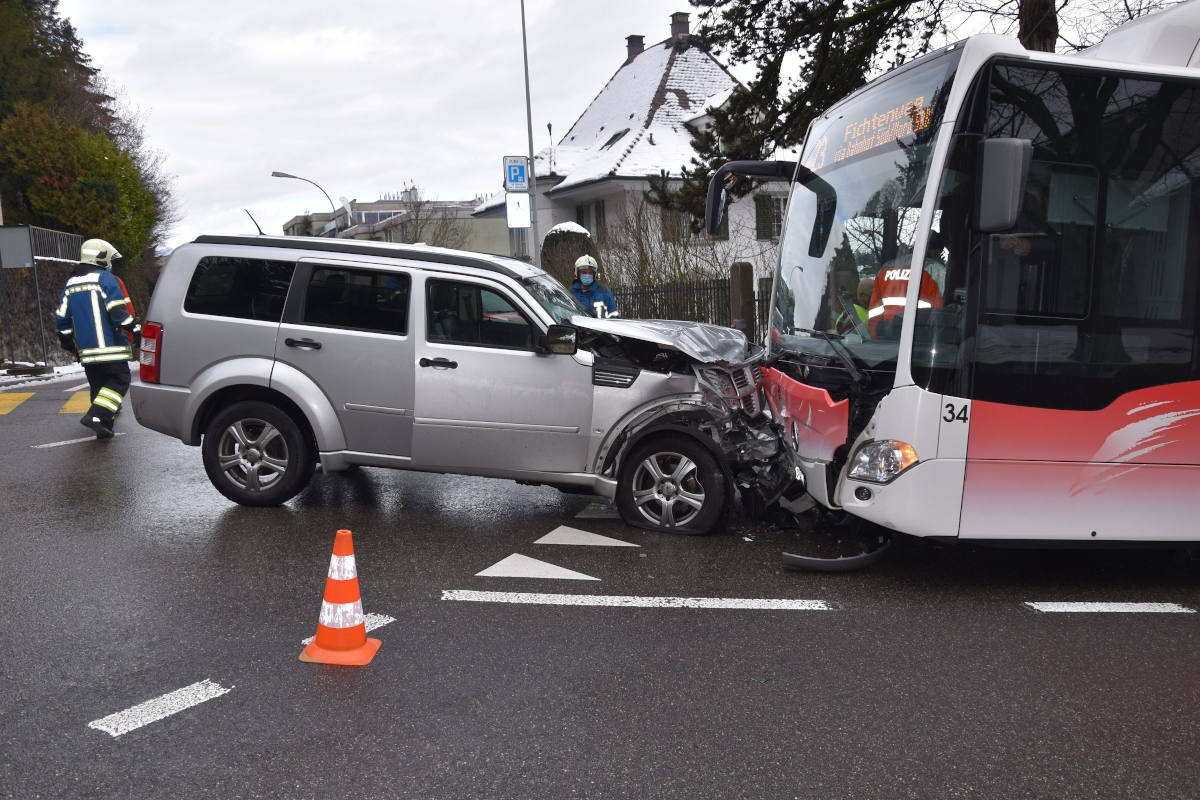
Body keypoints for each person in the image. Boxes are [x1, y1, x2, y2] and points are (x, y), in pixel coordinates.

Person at [55, 238, 141, 439]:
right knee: (120, 379)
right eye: (109, 259)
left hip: (87, 352)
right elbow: (118, 311)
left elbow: (62, 318)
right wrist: (134, 328)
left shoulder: (71, 283)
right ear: (101, 258)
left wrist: (67, 341)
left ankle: (104, 426)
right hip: (110, 348)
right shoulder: (105, 279)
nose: (110, 264)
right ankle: (97, 415)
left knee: (99, 387)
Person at [867, 232, 945, 339]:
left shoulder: (885, 270)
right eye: (937, 253)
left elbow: (874, 313)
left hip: (886, 340)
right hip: (918, 342)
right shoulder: (935, 270)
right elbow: (940, 313)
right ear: (932, 249)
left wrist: (879, 341)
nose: (937, 257)